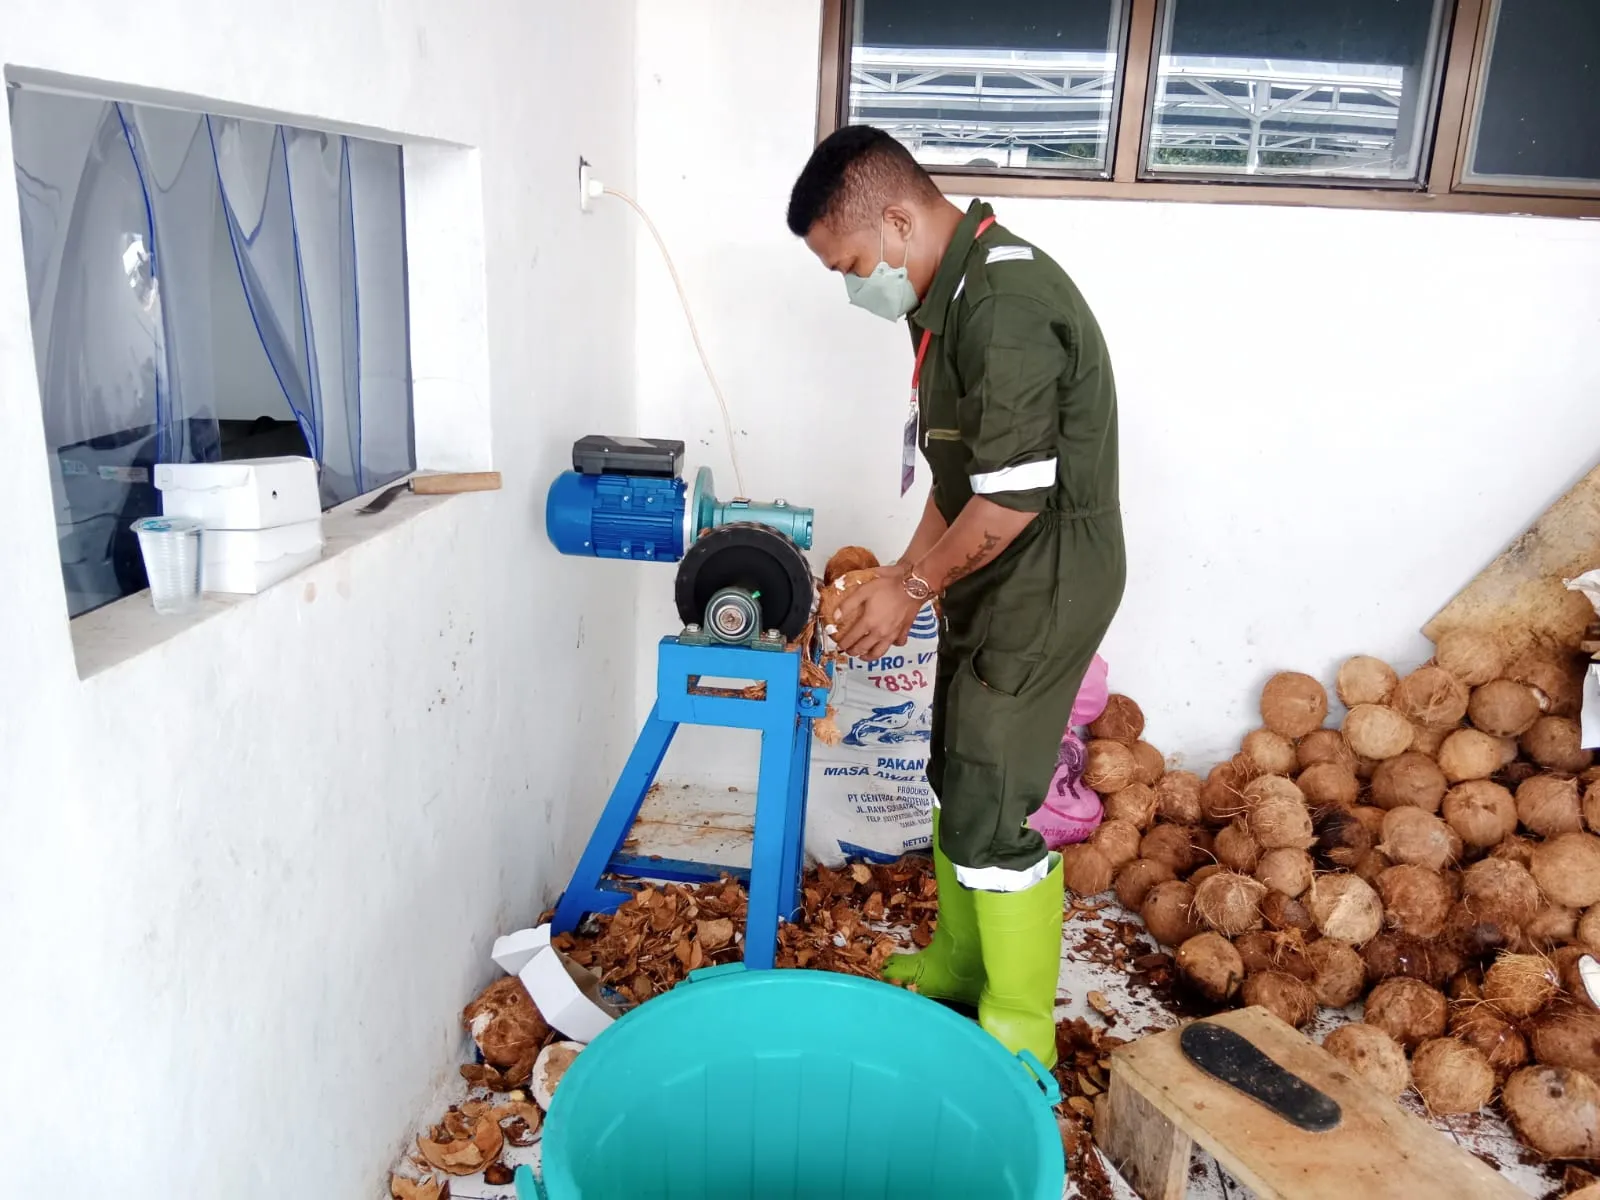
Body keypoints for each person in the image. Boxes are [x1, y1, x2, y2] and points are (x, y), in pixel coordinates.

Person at [786, 126, 1125, 1066]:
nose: (855, 287)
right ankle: (959, 964)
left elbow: (1012, 499)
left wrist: (915, 587)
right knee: (955, 772)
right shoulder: (943, 300)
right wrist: (900, 575)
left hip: (1046, 576)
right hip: (995, 567)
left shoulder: (1006, 302)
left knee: (994, 802)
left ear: (898, 221)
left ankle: (1017, 1029)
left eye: (853, 265)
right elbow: (958, 481)